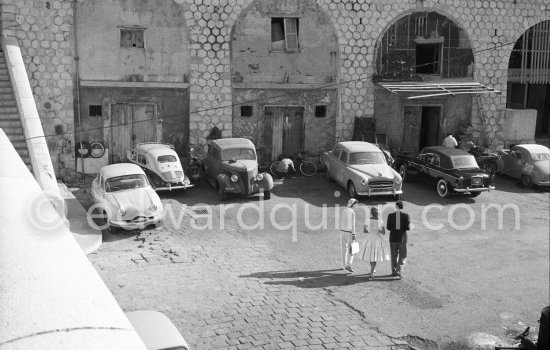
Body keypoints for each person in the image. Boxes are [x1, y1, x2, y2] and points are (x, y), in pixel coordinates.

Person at [359, 207, 390, 280]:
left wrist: (370, 230)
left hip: (369, 239)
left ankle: (372, 269)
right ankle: (371, 273)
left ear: (371, 213)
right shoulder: (380, 221)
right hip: (377, 239)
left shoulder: (367, 220)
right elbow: (383, 233)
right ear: (377, 213)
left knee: (371, 256)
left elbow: (365, 231)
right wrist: (378, 230)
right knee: (375, 256)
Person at [386, 200, 410, 278]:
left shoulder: (390, 215)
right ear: (402, 207)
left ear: (396, 206)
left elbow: (388, 227)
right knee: (403, 255)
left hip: (393, 237)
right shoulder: (406, 215)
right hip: (402, 237)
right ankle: (399, 270)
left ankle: (394, 271)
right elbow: (407, 227)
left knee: (393, 255)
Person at [340, 198, 359, 272]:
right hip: (349, 232)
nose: (356, 205)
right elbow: (353, 224)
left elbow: (341, 220)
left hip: (342, 232)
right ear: (353, 204)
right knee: (352, 250)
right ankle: (349, 265)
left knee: (344, 249)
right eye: (356, 204)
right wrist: (354, 234)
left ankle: (343, 265)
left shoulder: (344, 210)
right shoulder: (352, 212)